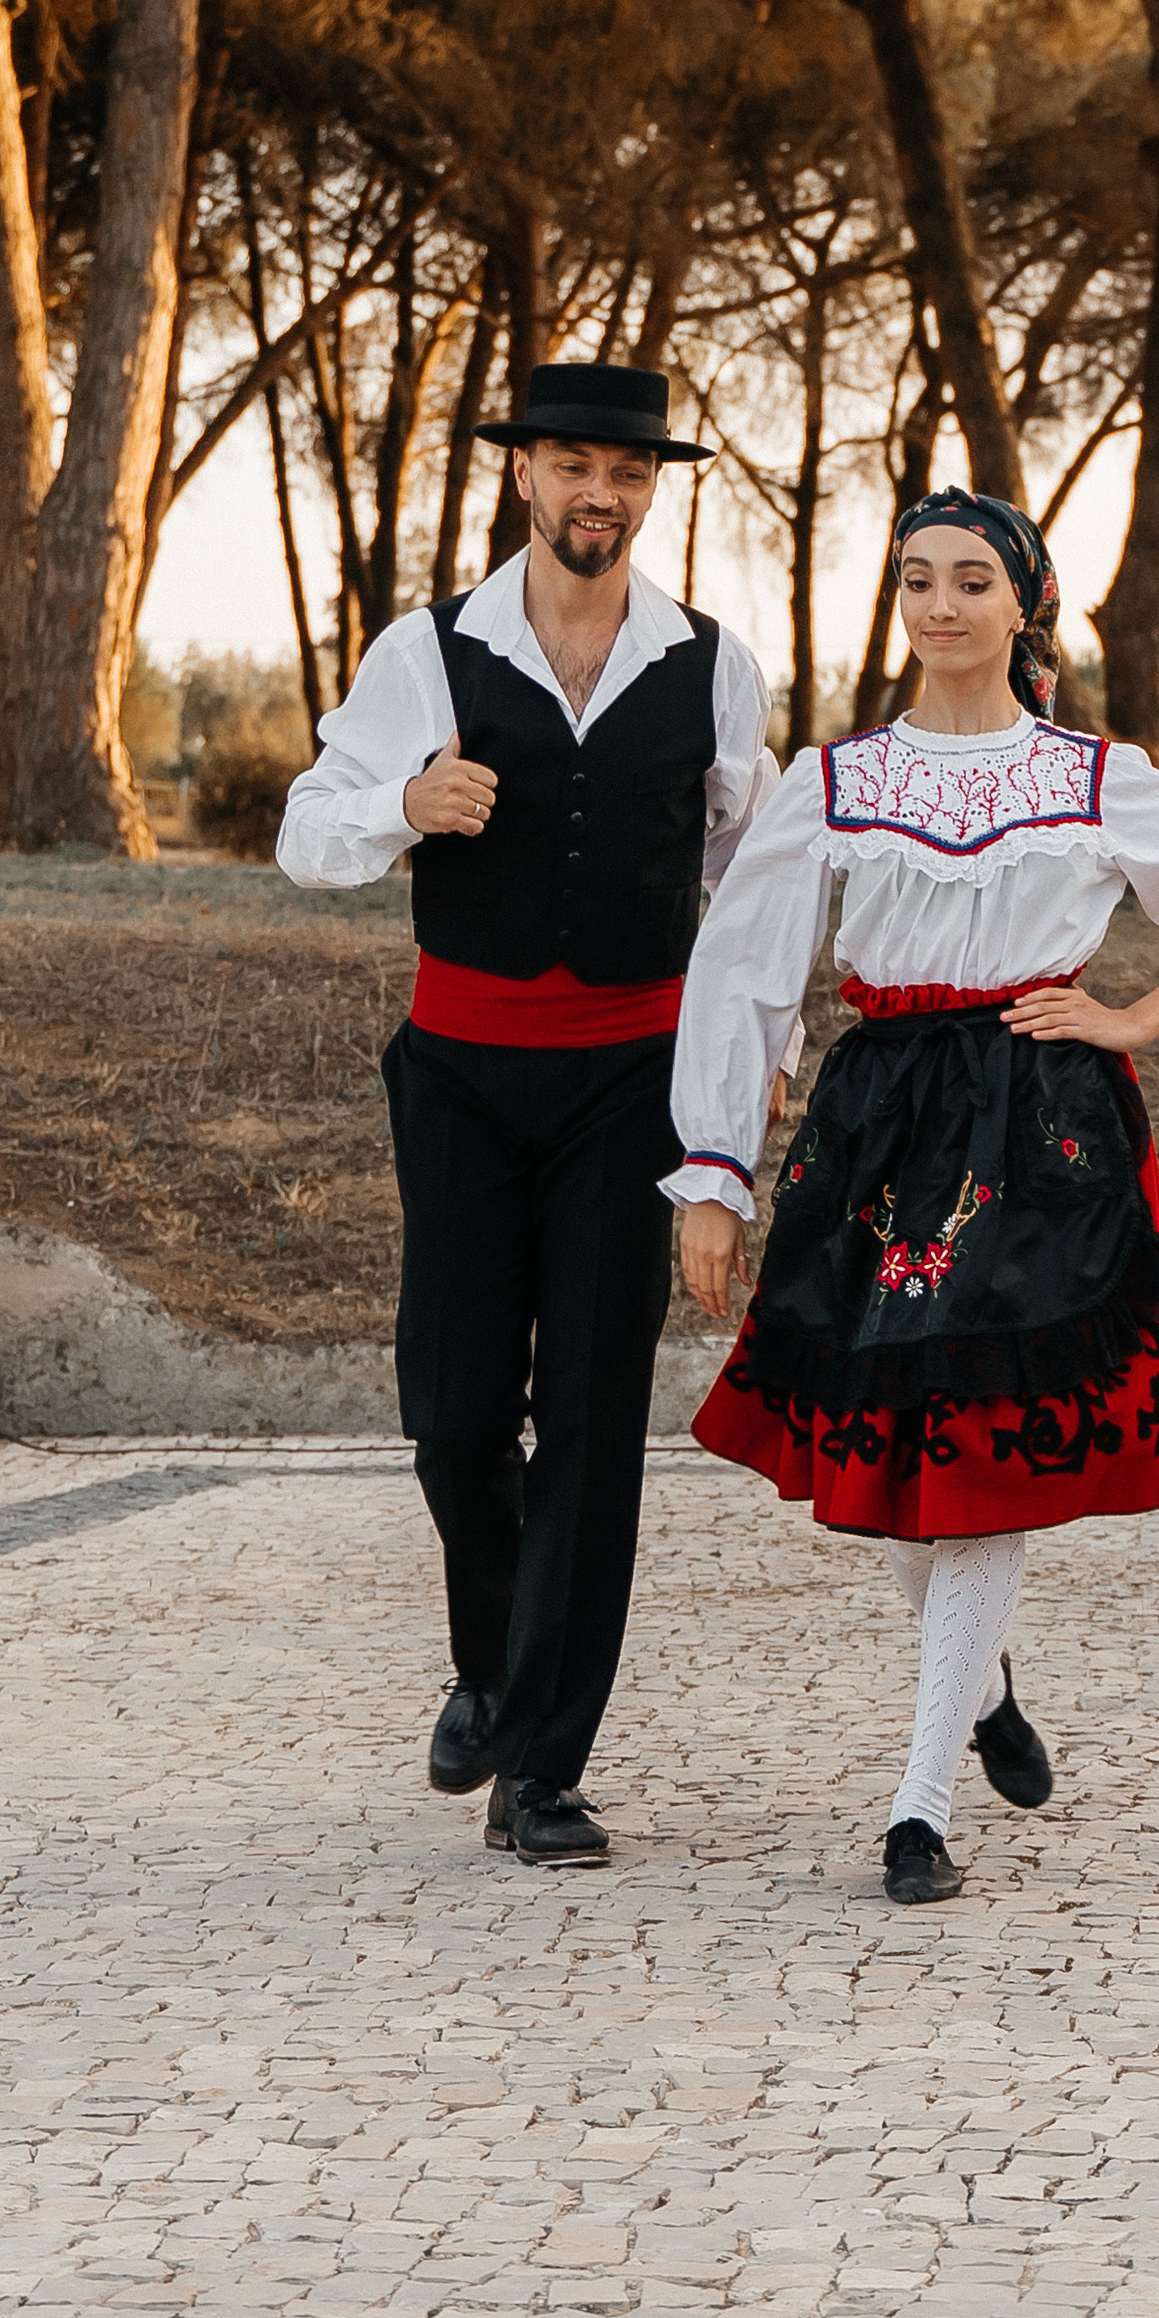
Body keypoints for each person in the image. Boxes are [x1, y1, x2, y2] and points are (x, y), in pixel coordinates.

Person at [666, 489, 1159, 1904]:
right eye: (917, 580)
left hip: (1041, 1126)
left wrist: (1133, 1023)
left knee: (973, 1465)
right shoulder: (833, 784)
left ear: (1024, 603)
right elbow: (742, 974)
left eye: (972, 580)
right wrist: (710, 1175)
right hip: (879, 1129)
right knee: (905, 1450)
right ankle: (984, 1687)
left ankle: (917, 1806)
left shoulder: (1093, 776)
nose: (942, 605)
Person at [277, 362, 784, 1869]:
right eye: (570, 462)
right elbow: (309, 829)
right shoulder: (431, 652)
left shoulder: (712, 666)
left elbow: (747, 892)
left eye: (625, 472)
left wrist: (758, 1064)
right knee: (450, 1416)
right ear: (523, 477)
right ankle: (492, 1665)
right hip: (462, 1072)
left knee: (592, 1428)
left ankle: (545, 1766)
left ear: (651, 491)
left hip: (633, 1082)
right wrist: (400, 810)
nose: (598, 493)